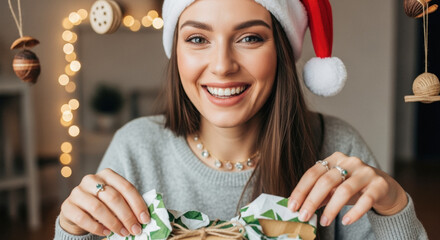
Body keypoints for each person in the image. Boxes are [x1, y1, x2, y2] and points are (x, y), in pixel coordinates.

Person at [54, 0, 428, 239]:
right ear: (177, 53)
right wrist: (72, 230)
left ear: (281, 51)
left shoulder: (337, 148)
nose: (222, 66)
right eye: (198, 39)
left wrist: (394, 206)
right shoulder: (134, 148)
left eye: (249, 38)